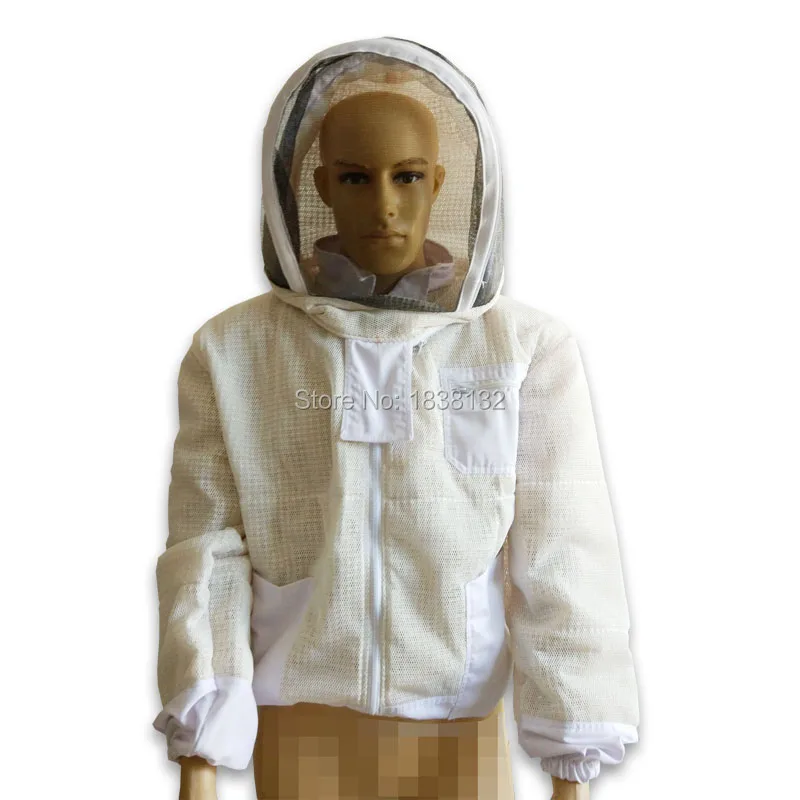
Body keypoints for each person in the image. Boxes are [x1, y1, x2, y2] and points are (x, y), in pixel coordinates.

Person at [152, 37, 639, 800]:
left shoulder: (523, 349)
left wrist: (571, 752)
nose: (384, 204)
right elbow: (207, 549)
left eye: (407, 176)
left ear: (441, 182)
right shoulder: (235, 352)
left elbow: (565, 554)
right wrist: (200, 750)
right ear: (318, 187)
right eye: (356, 177)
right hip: (299, 732)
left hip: (458, 742)